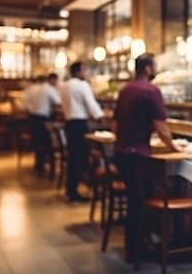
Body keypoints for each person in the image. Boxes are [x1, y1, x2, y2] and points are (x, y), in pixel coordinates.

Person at [113, 53, 181, 263]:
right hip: (137, 156)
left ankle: (137, 246)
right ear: (148, 69)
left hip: (122, 153)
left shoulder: (126, 89)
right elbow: (161, 127)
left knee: (136, 201)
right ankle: (139, 249)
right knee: (141, 201)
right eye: (156, 66)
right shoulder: (151, 91)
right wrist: (174, 147)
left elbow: (114, 123)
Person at [60, 61, 104, 202]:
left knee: (74, 158)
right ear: (79, 71)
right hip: (79, 124)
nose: (85, 73)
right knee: (80, 158)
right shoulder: (82, 85)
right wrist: (101, 117)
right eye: (84, 70)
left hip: (69, 124)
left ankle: (71, 189)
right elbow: (92, 105)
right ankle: (75, 192)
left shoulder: (64, 86)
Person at [24, 73, 61, 173]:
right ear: (51, 80)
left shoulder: (32, 89)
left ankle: (39, 163)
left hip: (32, 117)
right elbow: (58, 102)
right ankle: (49, 165)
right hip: (43, 118)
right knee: (47, 143)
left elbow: (26, 105)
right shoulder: (48, 89)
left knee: (37, 142)